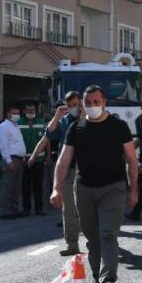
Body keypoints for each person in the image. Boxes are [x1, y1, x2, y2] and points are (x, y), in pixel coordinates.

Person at [51, 85, 138, 283]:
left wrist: (133, 188)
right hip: (84, 189)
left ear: (104, 101)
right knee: (92, 237)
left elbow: (131, 159)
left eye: (96, 101)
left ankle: (110, 280)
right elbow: (63, 161)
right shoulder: (76, 128)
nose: (92, 106)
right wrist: (56, 187)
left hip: (114, 188)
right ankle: (97, 277)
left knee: (108, 233)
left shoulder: (118, 126)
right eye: (87, 102)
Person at [45, 92, 82, 254]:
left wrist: (85, 115)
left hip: (85, 168)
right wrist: (57, 116)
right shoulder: (63, 120)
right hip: (67, 168)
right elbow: (49, 133)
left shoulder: (89, 118)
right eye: (71, 105)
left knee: (86, 207)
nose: (74, 108)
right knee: (68, 207)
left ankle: (97, 241)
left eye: (76, 104)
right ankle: (72, 243)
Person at [0, 103, 26, 220]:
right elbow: (3, 146)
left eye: (18, 113)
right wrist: (8, 161)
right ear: (8, 113)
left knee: (16, 187)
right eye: (14, 113)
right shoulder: (4, 127)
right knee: (8, 186)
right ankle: (6, 210)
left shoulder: (15, 125)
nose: (16, 115)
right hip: (11, 159)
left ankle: (15, 208)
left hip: (19, 159)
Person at [19, 101, 49, 216]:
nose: (31, 112)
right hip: (24, 160)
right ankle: (26, 209)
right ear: (24, 111)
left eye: (33, 110)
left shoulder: (42, 122)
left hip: (39, 160)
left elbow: (47, 141)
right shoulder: (19, 123)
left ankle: (39, 209)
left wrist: (48, 156)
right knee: (25, 186)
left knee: (38, 186)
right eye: (28, 110)